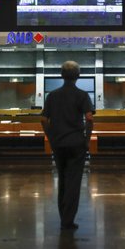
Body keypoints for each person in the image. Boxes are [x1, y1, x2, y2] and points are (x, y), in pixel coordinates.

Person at [40, 61, 94, 231]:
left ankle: (64, 216)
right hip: (76, 143)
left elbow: (43, 119)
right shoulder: (82, 95)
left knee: (62, 179)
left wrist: (51, 138)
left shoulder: (52, 96)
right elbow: (89, 118)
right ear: (78, 76)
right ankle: (68, 220)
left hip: (59, 143)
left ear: (62, 75)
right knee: (74, 181)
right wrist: (86, 140)